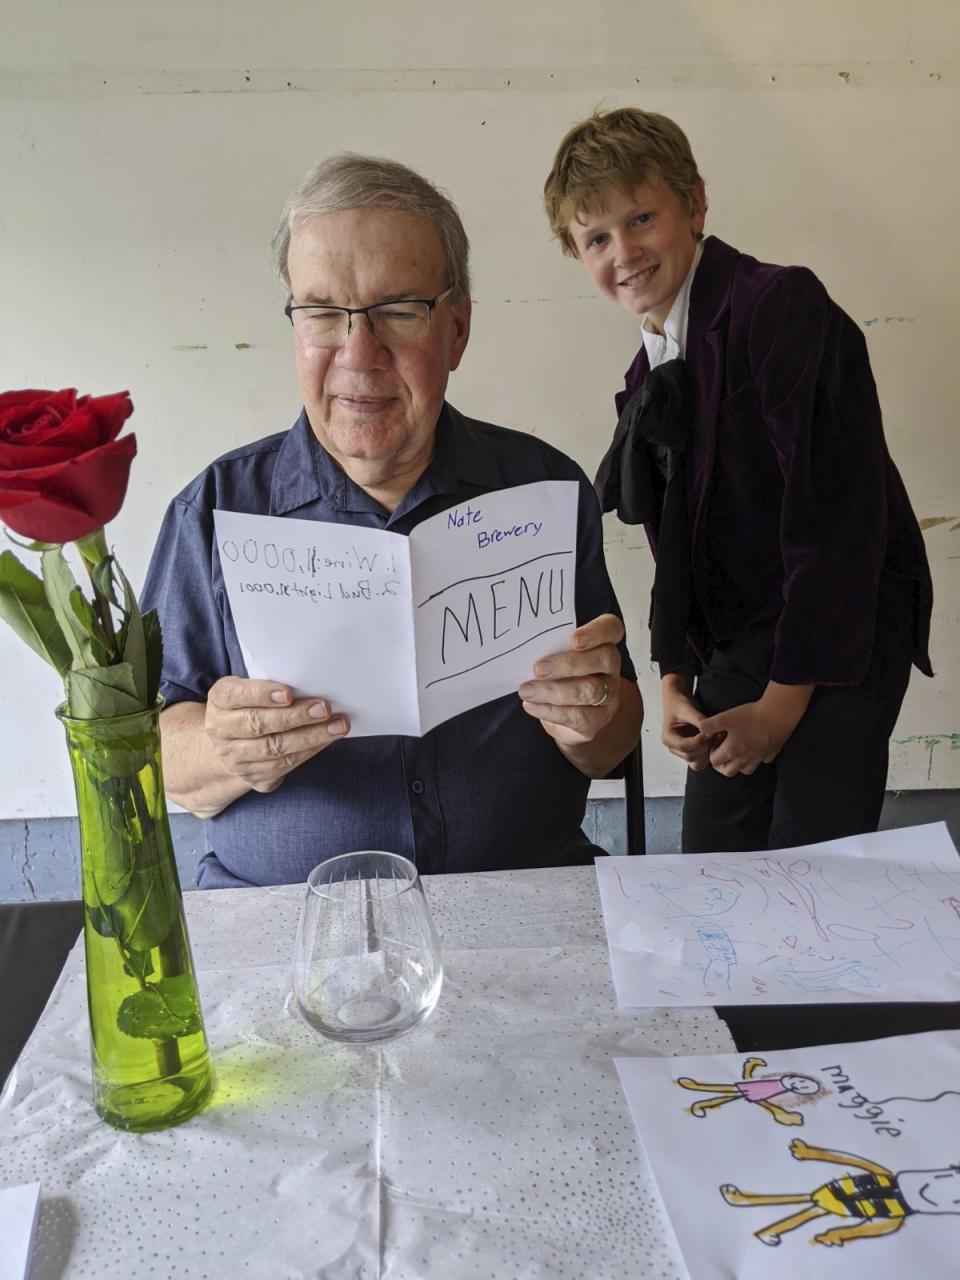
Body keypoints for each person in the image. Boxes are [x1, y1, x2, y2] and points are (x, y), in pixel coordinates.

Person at [141, 153, 643, 888]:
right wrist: (223, 750)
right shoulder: (214, 512)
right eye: (322, 312)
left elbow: (617, 738)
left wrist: (593, 720)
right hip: (282, 925)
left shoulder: (544, 489)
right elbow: (146, 755)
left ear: (459, 329)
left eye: (398, 310)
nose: (358, 353)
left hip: (528, 903)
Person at [543, 107, 933, 854]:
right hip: (743, 634)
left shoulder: (778, 307)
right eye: (596, 238)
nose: (623, 251)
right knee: (712, 863)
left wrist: (781, 708)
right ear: (575, 251)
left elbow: (836, 522)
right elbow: (676, 545)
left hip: (842, 624)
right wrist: (673, 679)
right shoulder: (648, 368)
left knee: (810, 859)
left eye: (642, 218)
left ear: (694, 205)